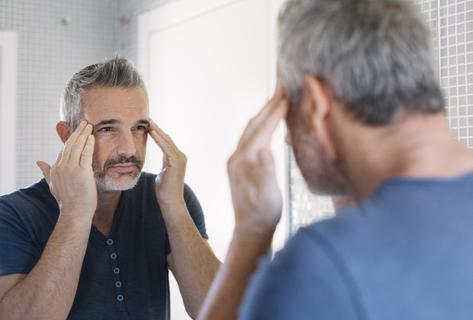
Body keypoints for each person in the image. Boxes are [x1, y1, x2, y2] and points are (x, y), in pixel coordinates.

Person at [197, 0, 473, 319]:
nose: (287, 136)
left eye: (288, 105)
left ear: (315, 103)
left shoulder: (322, 266)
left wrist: (251, 235)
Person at [0, 56, 220, 319]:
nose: (129, 149)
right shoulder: (10, 215)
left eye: (138, 128)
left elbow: (218, 312)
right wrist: (74, 213)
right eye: (108, 128)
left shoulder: (169, 196)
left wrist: (174, 207)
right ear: (68, 136)